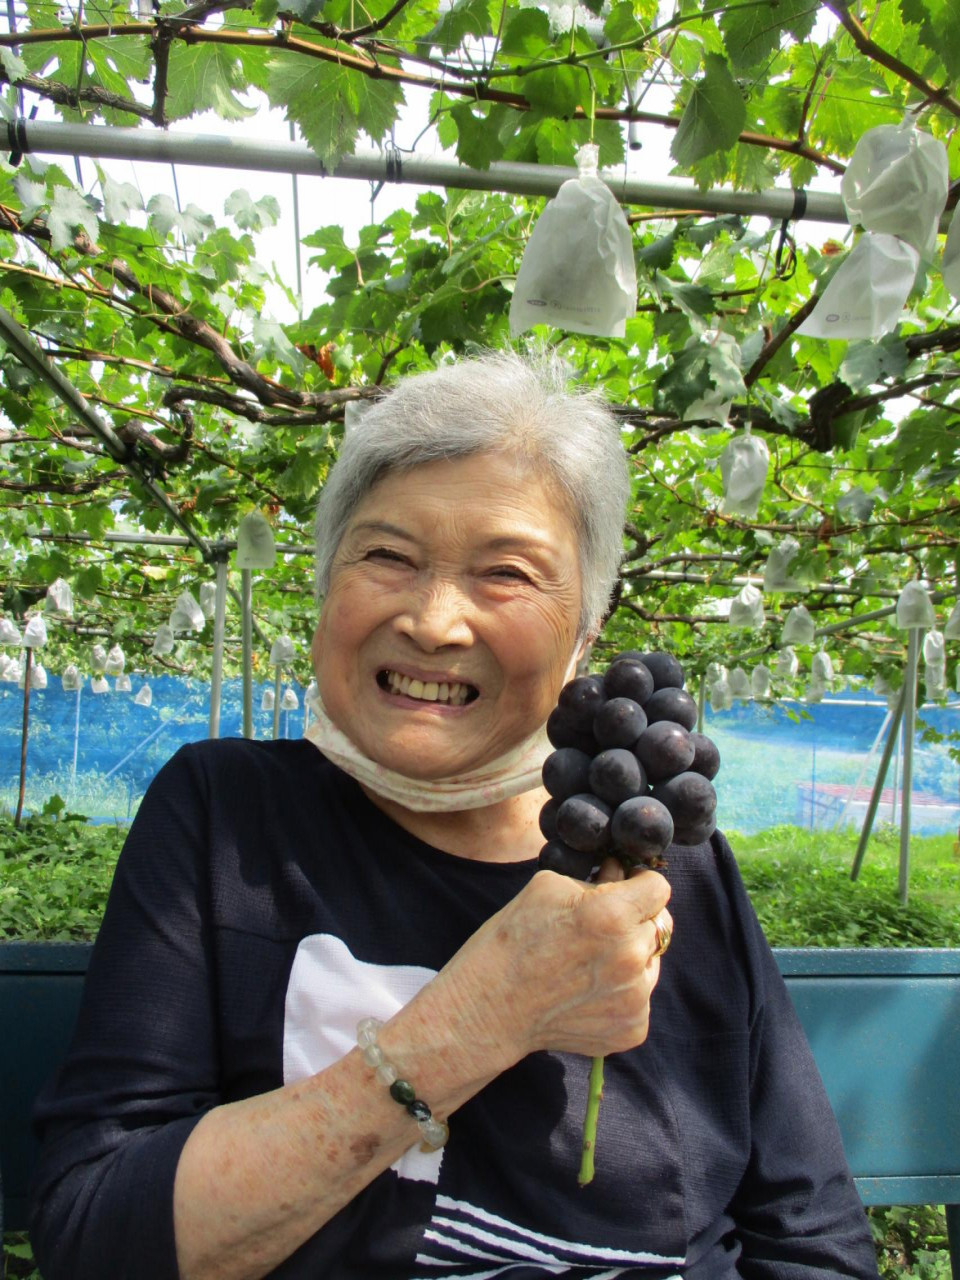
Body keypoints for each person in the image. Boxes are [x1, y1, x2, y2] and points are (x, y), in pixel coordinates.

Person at [29, 350, 879, 1280]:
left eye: (506, 573)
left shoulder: (659, 859)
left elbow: (812, 1241)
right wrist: (479, 1018)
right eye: (387, 556)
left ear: (586, 633)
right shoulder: (225, 816)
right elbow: (95, 1236)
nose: (434, 623)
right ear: (325, 584)